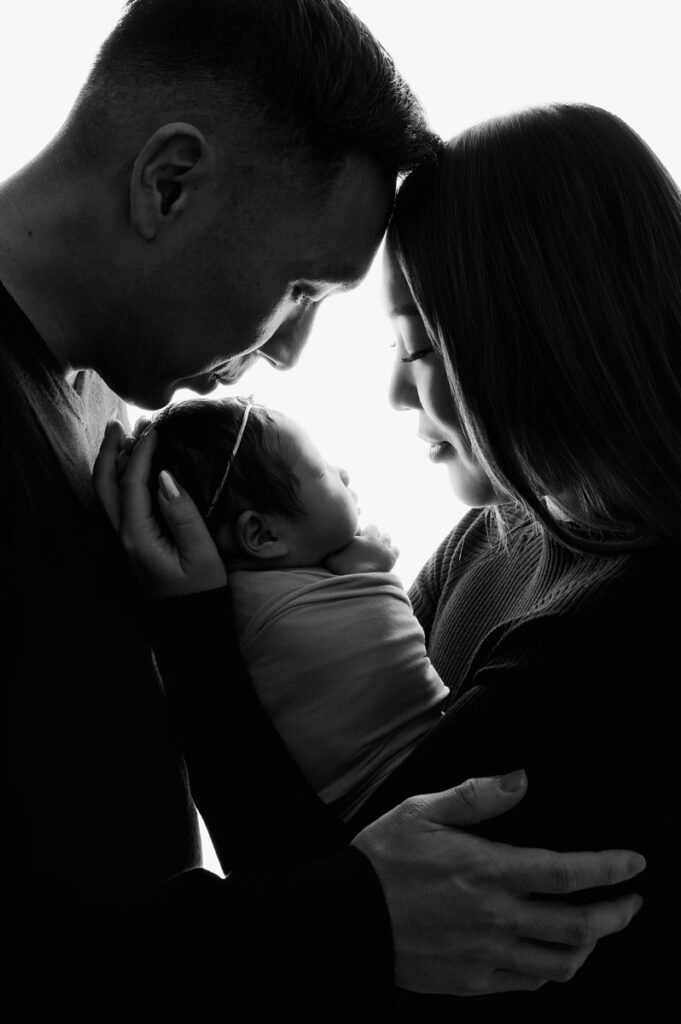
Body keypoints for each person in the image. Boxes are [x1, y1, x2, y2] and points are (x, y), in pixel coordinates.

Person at [0, 0, 644, 1012]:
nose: (291, 354)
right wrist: (352, 918)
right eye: (301, 287)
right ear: (169, 183)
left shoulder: (109, 418)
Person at [141, 393, 448, 826]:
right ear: (262, 536)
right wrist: (370, 570)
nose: (343, 472)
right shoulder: (259, 613)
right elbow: (382, 641)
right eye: (321, 470)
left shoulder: (218, 607)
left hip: (352, 821)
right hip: (407, 796)